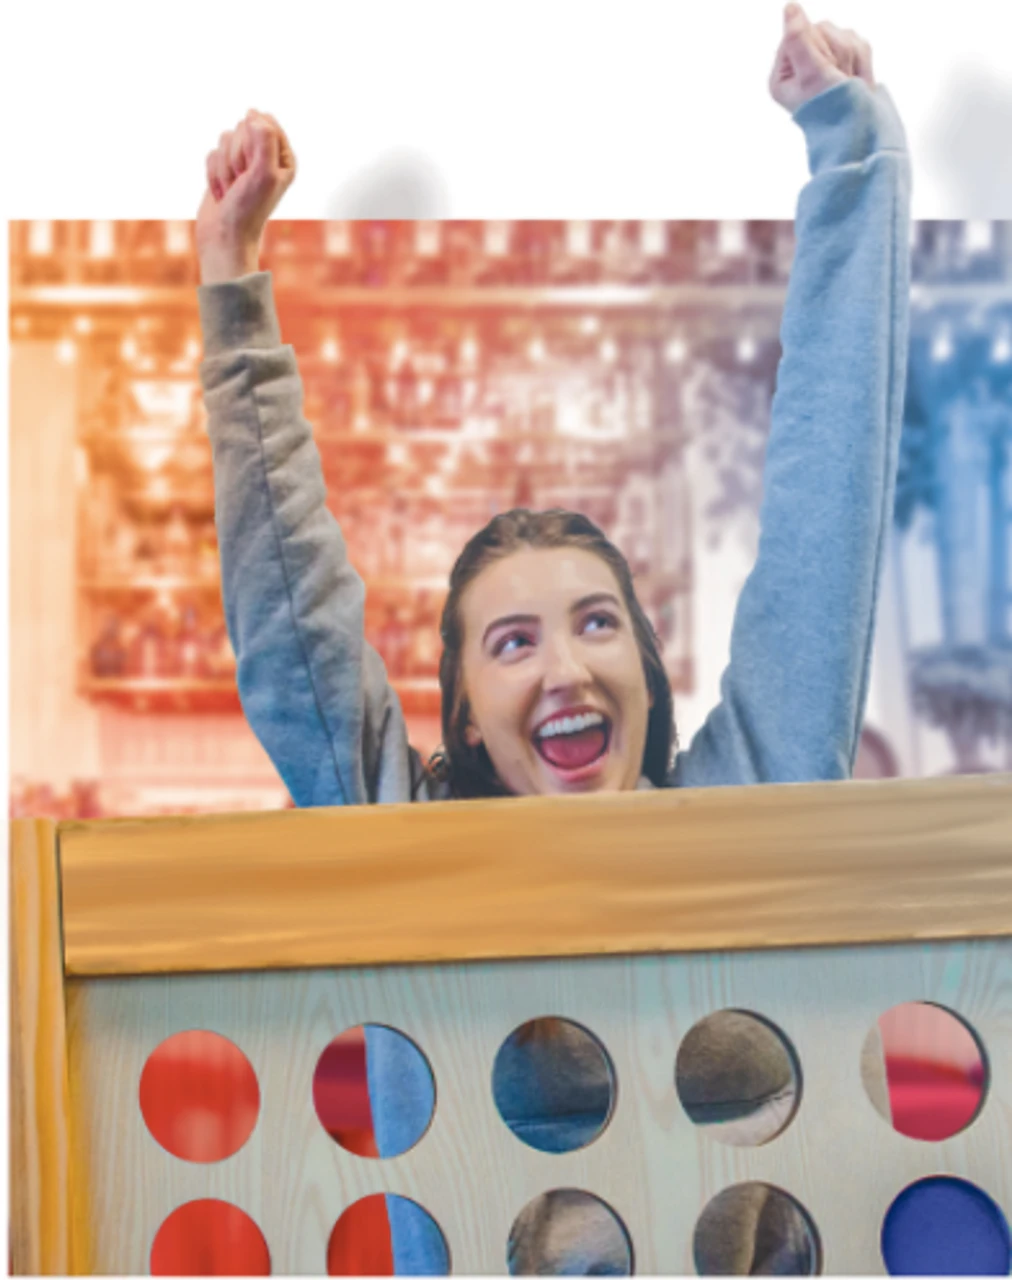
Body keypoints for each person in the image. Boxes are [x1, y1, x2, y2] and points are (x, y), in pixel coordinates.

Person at [194, 3, 910, 1273]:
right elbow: (291, 623)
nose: (567, 666)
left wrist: (850, 153)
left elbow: (824, 510)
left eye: (595, 623)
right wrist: (232, 288)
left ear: (644, 665)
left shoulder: (742, 809)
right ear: (463, 712)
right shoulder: (404, 843)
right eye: (511, 642)